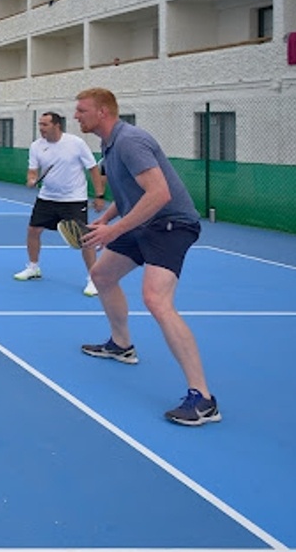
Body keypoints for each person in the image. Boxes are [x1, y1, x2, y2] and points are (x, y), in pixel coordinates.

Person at [73, 87, 218, 426]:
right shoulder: (109, 144)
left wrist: (115, 230)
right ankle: (122, 345)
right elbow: (129, 193)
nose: (76, 115)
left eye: (81, 110)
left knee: (155, 298)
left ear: (103, 112)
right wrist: (107, 220)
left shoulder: (130, 141)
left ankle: (204, 399)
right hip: (142, 222)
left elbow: (159, 193)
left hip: (171, 224)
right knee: (103, 276)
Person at [12, 112, 106, 296]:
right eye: (40, 124)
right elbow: (32, 171)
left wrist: (99, 195)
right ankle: (33, 267)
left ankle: (93, 279)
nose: (41, 128)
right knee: (33, 230)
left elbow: (93, 169)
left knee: (84, 238)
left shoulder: (76, 143)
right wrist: (31, 180)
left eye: (45, 124)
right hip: (47, 197)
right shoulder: (36, 146)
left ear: (57, 125)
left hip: (73, 199)